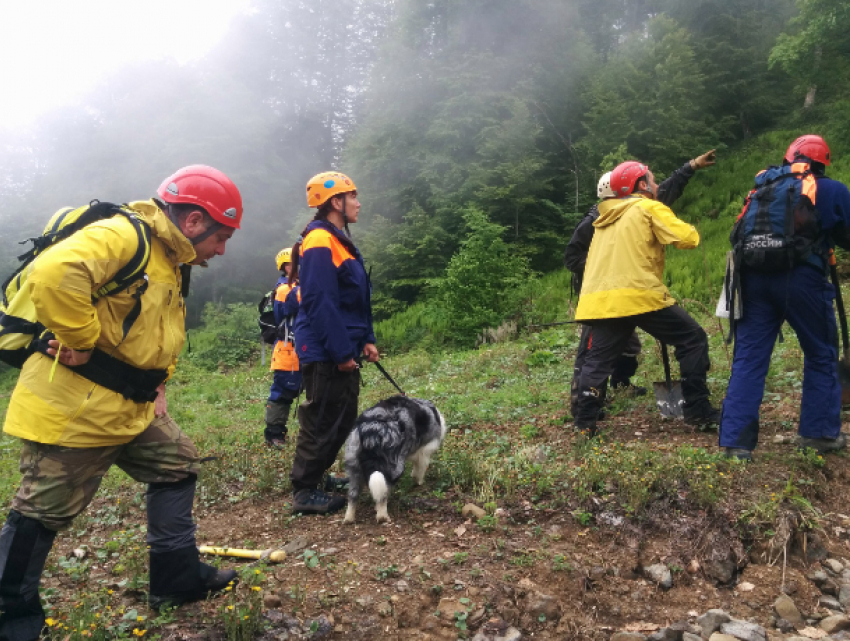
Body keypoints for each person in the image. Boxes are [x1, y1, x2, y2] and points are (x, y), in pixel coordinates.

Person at [0, 165, 242, 640]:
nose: (222, 249)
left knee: (178, 464)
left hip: (130, 407)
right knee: (40, 513)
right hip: (76, 409)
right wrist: (82, 340)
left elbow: (150, 329)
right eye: (222, 235)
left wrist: (159, 383)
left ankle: (176, 581)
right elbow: (55, 271)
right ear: (193, 221)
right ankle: (12, 617)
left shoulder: (168, 257)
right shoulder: (123, 235)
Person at [720, 135, 850, 461]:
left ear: (788, 158)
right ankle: (818, 434)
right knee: (821, 353)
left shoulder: (764, 188)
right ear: (823, 162)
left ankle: (736, 444)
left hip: (752, 279)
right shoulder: (829, 189)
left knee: (748, 357)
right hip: (802, 278)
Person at [573, 160, 721, 436]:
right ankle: (698, 410)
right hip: (638, 294)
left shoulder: (602, 219)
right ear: (641, 185)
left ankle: (584, 423)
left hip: (601, 301)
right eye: (652, 181)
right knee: (692, 339)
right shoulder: (647, 207)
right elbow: (688, 239)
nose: (655, 185)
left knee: (597, 362)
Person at [288, 171, 379, 515]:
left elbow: (353, 300)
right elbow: (319, 301)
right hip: (325, 348)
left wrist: (365, 339)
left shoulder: (337, 240)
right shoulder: (319, 242)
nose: (358, 202)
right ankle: (304, 490)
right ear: (335, 202)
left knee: (342, 415)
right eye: (353, 196)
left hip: (342, 344)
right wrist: (341, 351)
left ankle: (317, 477)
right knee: (323, 417)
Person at [264, 247, 302, 449]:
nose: (297, 266)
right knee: (283, 392)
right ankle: (274, 434)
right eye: (292, 263)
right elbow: (300, 301)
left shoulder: (299, 285)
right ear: (284, 267)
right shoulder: (285, 289)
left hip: (303, 349)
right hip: (288, 351)